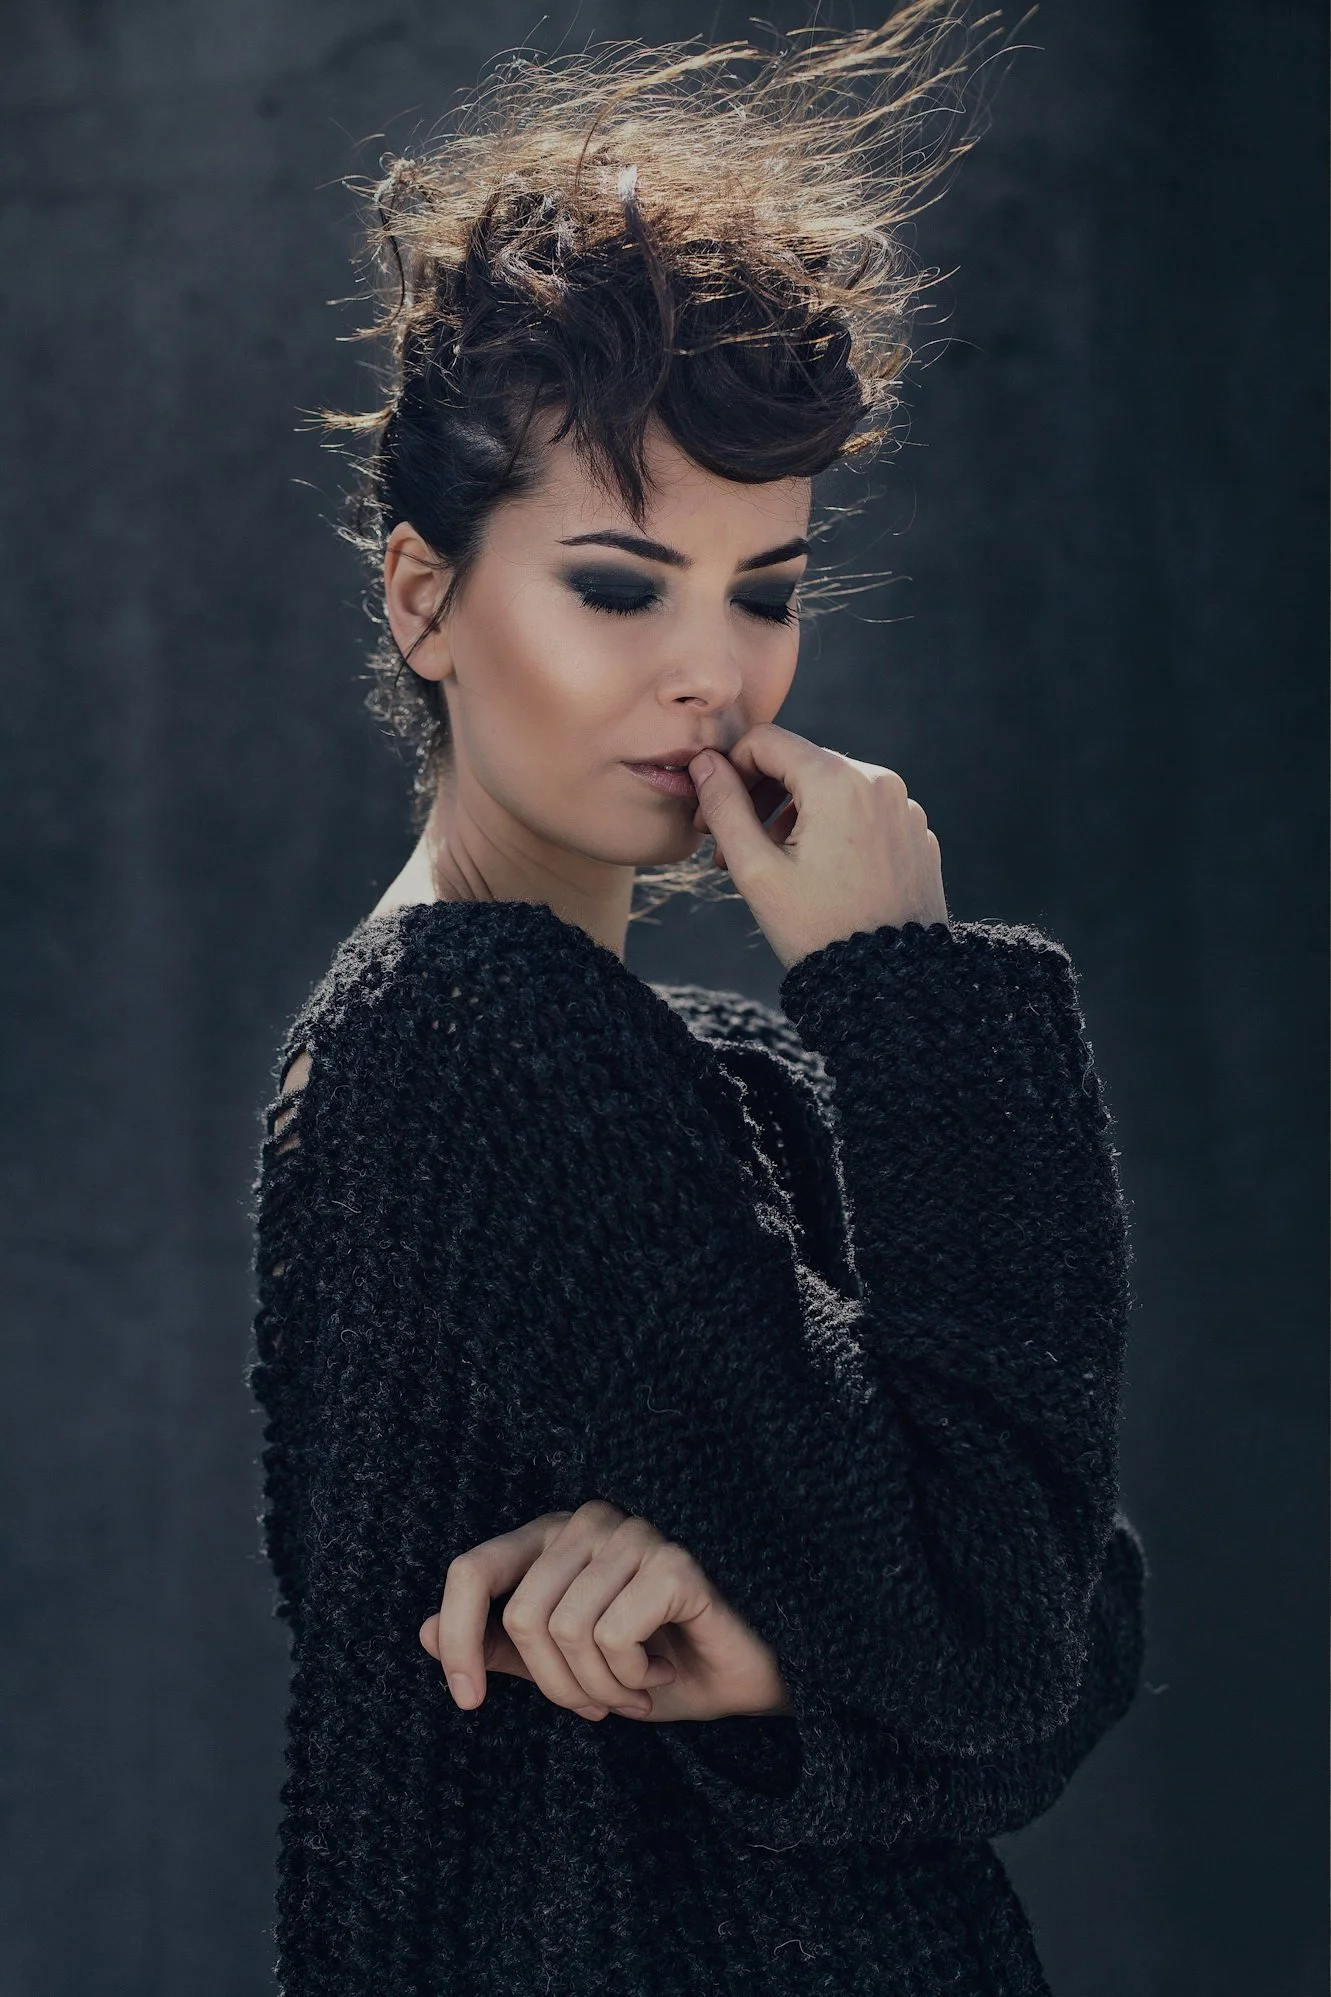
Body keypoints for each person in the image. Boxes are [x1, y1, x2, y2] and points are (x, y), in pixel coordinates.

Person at [249, 14, 1147, 1993]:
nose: (710, 675)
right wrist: (903, 985)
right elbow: (996, 1640)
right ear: (422, 597)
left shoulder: (707, 1069)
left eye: (762, 589)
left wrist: (760, 1663)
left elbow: (1074, 1633)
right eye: (616, 584)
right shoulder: (471, 1030)